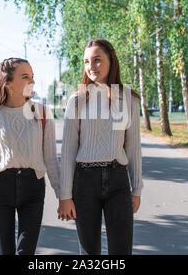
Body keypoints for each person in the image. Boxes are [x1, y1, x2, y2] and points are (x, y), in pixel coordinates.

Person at [0, 57, 60, 255]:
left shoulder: (42, 113)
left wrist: (64, 197)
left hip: (33, 189)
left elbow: (51, 159)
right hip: (1, 190)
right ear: (7, 83)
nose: (32, 82)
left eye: (33, 76)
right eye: (25, 77)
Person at [57, 39, 143, 255]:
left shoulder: (129, 100)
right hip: (84, 182)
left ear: (110, 61)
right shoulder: (76, 101)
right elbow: (67, 151)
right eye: (87, 61)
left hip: (118, 181)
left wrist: (137, 188)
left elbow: (133, 148)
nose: (91, 66)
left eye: (97, 60)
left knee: (121, 252)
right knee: (88, 253)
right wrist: (64, 195)